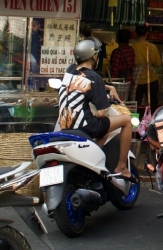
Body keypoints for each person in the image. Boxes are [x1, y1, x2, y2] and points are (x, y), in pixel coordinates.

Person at [56, 39, 134, 179]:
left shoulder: (70, 70)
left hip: (65, 125)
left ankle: (92, 162)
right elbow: (100, 113)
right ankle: (121, 166)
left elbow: (84, 81)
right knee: (127, 120)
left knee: (103, 132)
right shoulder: (95, 77)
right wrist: (99, 110)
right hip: (86, 126)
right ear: (93, 57)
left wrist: (108, 87)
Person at [131, 24, 162, 111]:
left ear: (135, 34)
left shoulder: (132, 48)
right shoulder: (152, 47)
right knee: (153, 106)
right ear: (147, 34)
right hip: (152, 80)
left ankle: (138, 122)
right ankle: (151, 122)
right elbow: (158, 63)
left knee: (137, 106)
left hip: (138, 81)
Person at [108, 28, 136, 94]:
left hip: (120, 83)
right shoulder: (131, 49)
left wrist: (111, 83)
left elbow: (114, 71)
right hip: (130, 81)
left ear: (118, 39)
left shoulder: (117, 52)